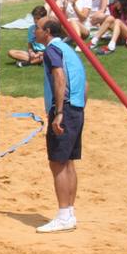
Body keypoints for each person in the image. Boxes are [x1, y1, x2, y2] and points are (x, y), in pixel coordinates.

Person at [37, 17, 86, 234]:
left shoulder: (52, 51)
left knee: (57, 163)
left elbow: (59, 78)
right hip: (76, 107)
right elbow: (85, 82)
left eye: (37, 28)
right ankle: (69, 213)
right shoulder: (68, 48)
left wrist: (59, 113)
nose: (34, 32)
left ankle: (64, 215)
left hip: (64, 110)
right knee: (68, 163)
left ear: (47, 31)